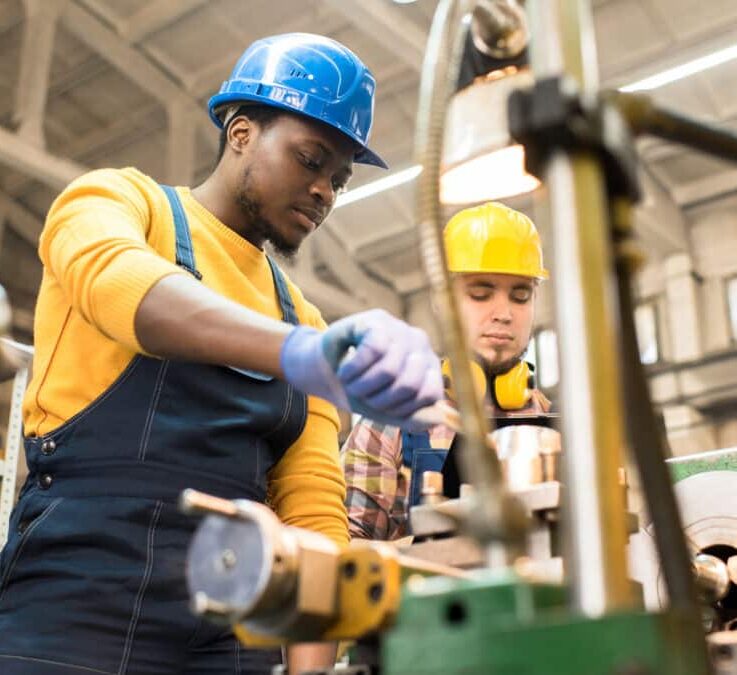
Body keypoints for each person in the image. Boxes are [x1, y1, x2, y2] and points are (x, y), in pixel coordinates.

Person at [0, 33, 443, 675]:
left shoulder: (306, 316)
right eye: (310, 159)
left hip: (230, 637)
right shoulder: (120, 204)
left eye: (338, 180)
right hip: (71, 613)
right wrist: (300, 354)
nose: (324, 191)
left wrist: (310, 671)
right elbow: (123, 285)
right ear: (240, 132)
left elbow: (315, 518)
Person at [341, 201, 552, 541]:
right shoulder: (389, 422)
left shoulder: (552, 425)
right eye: (481, 294)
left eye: (520, 295)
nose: (504, 313)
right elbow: (347, 554)